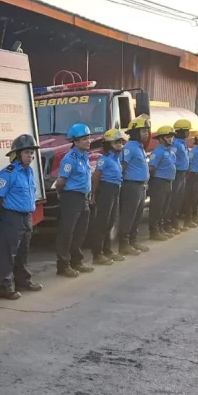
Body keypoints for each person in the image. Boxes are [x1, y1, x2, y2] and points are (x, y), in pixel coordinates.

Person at [0, 134, 43, 300]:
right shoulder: (8, 173)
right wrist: (6, 211)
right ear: (18, 154)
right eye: (27, 152)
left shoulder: (28, 171)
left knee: (22, 252)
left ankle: (23, 281)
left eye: (32, 153)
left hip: (26, 217)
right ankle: (4, 287)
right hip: (12, 217)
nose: (31, 156)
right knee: (7, 253)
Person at [55, 123, 95, 277]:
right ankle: (63, 265)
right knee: (67, 232)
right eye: (84, 139)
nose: (88, 141)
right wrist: (62, 195)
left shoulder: (85, 156)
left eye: (88, 138)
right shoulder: (69, 158)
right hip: (71, 198)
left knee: (80, 232)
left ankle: (76, 261)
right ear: (75, 142)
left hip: (83, 198)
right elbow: (61, 182)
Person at [90, 128, 128, 265]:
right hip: (105, 190)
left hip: (114, 190)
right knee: (102, 223)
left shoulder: (116, 159)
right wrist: (93, 195)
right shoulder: (103, 159)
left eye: (120, 142)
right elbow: (96, 177)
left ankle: (107, 250)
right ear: (108, 144)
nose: (119, 145)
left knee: (111, 222)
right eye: (115, 143)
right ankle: (97, 254)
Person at [118, 116, 151, 256]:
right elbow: (122, 167)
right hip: (131, 186)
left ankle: (133, 241)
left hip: (141, 186)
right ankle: (124, 245)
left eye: (147, 130)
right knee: (128, 216)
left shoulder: (140, 147)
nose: (147, 133)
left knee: (137, 215)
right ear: (135, 132)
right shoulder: (129, 148)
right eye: (143, 131)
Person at [147, 125, 177, 241]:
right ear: (161, 139)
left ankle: (160, 229)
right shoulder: (158, 151)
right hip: (159, 182)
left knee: (164, 207)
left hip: (168, 181)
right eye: (168, 137)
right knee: (157, 207)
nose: (171, 139)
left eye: (172, 137)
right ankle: (154, 231)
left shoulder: (169, 151)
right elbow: (152, 168)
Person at [167, 119, 191, 232]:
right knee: (174, 199)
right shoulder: (176, 143)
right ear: (181, 131)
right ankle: (170, 223)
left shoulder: (182, 143)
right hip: (177, 174)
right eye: (187, 130)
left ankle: (174, 222)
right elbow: (172, 158)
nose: (188, 133)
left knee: (179, 199)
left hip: (182, 174)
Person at [182, 130, 198, 228]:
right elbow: (188, 163)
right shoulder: (194, 151)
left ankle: (195, 218)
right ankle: (188, 220)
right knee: (191, 198)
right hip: (194, 176)